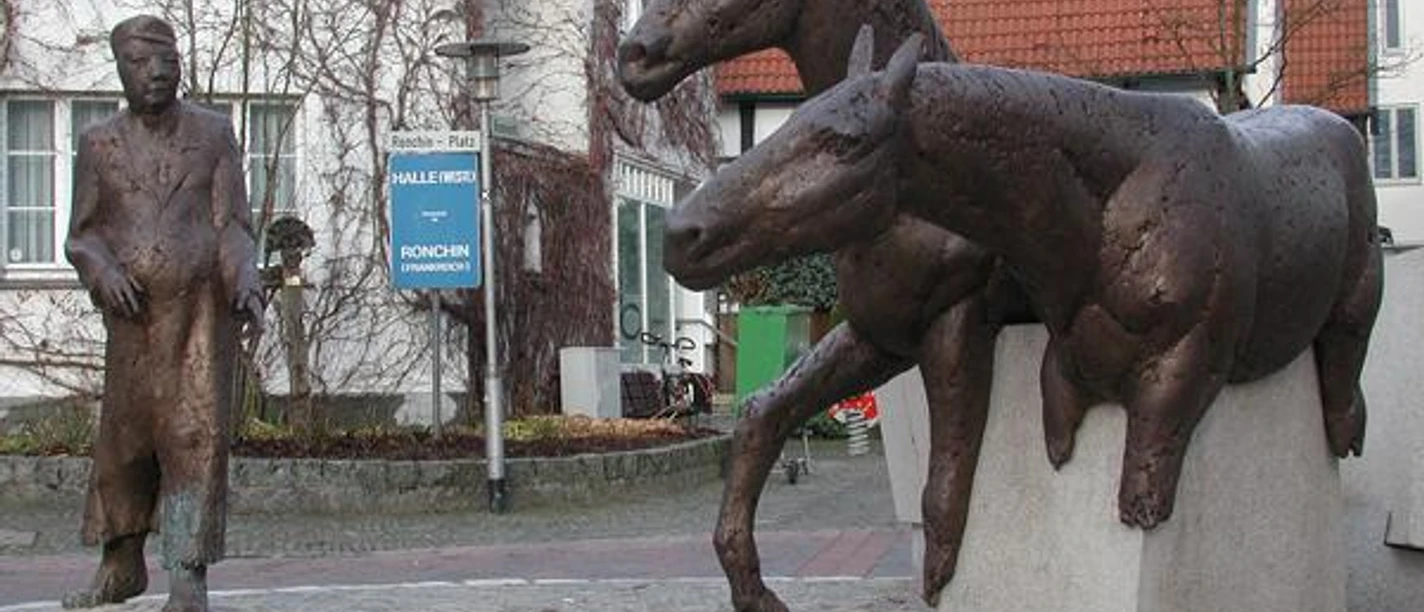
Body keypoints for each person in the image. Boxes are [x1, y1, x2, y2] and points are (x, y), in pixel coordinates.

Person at [62, 14, 263, 612]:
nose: (155, 74)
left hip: (200, 316)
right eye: (141, 64)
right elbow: (81, 236)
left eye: (165, 63)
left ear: (178, 66)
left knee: (193, 437)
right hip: (133, 320)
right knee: (124, 444)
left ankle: (187, 573)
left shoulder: (214, 133)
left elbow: (233, 226)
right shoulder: (99, 143)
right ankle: (120, 565)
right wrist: (103, 270)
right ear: (121, 70)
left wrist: (246, 277)